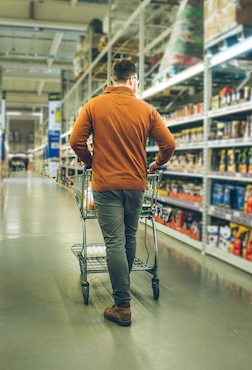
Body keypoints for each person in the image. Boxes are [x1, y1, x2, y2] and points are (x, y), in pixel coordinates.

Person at [69, 59, 176, 326]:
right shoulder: (147, 110)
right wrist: (155, 164)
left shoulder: (93, 106)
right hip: (136, 184)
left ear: (113, 78)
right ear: (132, 80)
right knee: (129, 238)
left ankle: (122, 304)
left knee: (114, 243)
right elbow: (169, 145)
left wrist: (93, 162)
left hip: (106, 185)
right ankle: (122, 292)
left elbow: (76, 141)